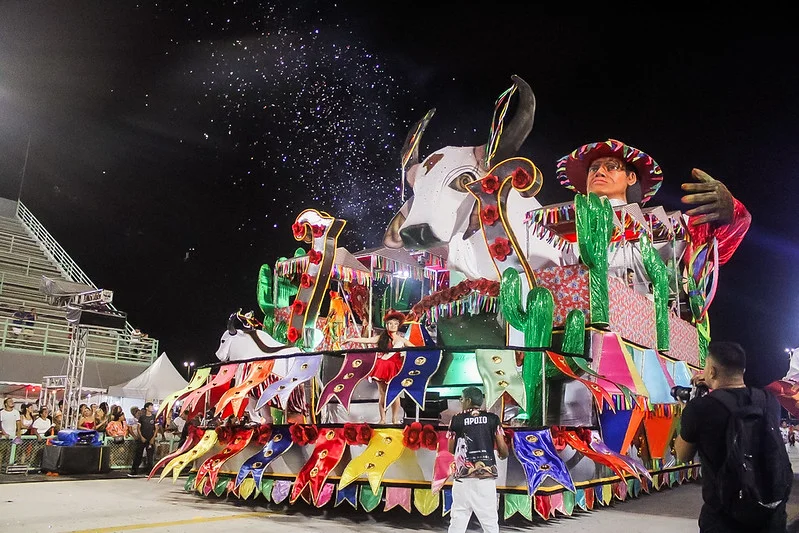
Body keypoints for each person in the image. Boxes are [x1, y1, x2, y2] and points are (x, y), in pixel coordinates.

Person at [556, 139, 751, 291]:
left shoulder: (666, 227)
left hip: (642, 325)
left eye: (611, 166)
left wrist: (732, 212)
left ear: (631, 177)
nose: (599, 171)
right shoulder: (554, 230)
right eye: (593, 168)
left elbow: (716, 249)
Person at [675, 341, 792, 532]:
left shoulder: (700, 408)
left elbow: (682, 454)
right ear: (742, 370)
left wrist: (686, 411)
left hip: (724, 520)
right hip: (771, 517)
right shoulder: (768, 401)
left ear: (712, 371)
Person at [447, 386, 508, 533]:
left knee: (458, 520)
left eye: (461, 399)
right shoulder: (493, 419)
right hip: (485, 479)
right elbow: (502, 449)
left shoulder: (456, 419)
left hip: (462, 478)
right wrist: (502, 454)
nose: (461, 401)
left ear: (468, 400)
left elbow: (451, 449)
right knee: (490, 522)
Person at [344, 310, 416, 424]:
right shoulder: (381, 338)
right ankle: (382, 419)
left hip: (395, 368)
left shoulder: (401, 340)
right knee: (382, 393)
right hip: (382, 367)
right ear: (386, 325)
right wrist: (350, 339)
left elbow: (415, 347)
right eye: (390, 323)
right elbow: (366, 340)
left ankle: (395, 419)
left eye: (395, 324)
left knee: (395, 393)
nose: (392, 326)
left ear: (398, 326)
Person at [129, 402, 158, 477]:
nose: (152, 408)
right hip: (142, 438)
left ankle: (149, 472)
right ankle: (134, 471)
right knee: (138, 454)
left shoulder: (154, 417)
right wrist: (141, 437)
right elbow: (138, 428)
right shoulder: (142, 417)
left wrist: (153, 438)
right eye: (150, 407)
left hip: (150, 438)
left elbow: (156, 428)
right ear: (147, 408)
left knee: (150, 456)